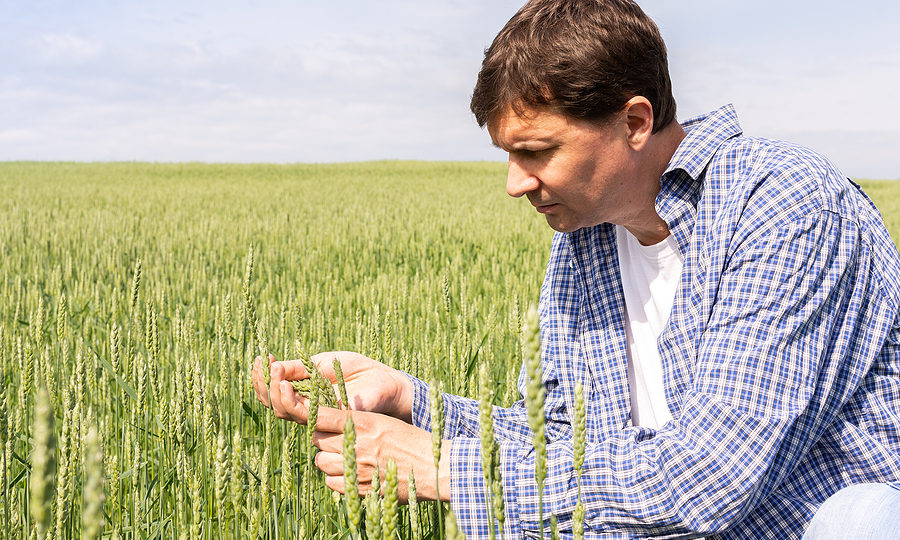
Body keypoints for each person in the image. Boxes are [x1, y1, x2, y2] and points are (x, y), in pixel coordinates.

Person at [253, 0, 900, 537]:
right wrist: (410, 401)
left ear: (635, 122)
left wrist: (447, 471)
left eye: (537, 151)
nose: (515, 183)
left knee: (857, 521)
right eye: (508, 154)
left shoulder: (781, 203)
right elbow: (565, 443)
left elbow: (712, 477)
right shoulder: (586, 241)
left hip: (814, 522)